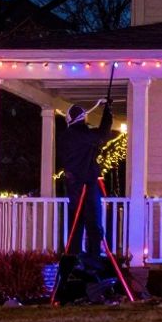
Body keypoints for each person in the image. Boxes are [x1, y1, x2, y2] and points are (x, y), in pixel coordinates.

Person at [57, 97, 114, 270]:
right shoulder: (82, 134)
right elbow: (102, 134)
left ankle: (75, 256)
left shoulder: (67, 136)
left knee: (77, 221)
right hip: (86, 184)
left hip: (74, 184)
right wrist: (108, 111)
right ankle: (93, 257)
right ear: (82, 118)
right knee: (93, 221)